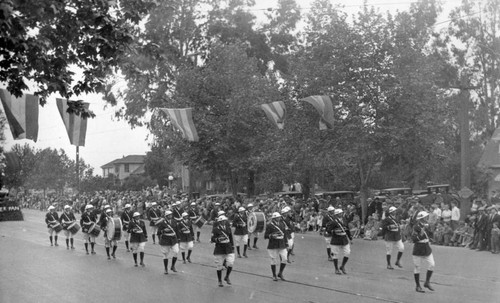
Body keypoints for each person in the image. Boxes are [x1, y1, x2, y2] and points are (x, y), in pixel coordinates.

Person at [412, 211, 435, 293]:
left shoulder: (427, 225)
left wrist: (430, 232)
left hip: (426, 247)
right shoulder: (416, 227)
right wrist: (421, 233)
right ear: (421, 218)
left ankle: (427, 281)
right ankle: (418, 286)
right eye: (425, 217)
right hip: (418, 248)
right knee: (417, 267)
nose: (427, 218)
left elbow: (431, 235)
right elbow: (414, 239)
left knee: (432, 264)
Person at [211, 215, 235, 287]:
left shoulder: (228, 228)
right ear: (220, 222)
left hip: (228, 247)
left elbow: (230, 238)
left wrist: (232, 246)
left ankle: (227, 276)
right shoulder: (215, 229)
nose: (224, 222)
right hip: (219, 248)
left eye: (225, 221)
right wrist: (218, 239)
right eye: (223, 221)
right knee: (219, 266)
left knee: (231, 263)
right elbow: (212, 239)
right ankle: (219, 280)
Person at [327, 208, 352, 275]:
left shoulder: (344, 220)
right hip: (336, 240)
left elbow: (347, 229)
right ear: (337, 214)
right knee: (335, 254)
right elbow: (328, 230)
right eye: (340, 213)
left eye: (341, 213)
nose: (341, 214)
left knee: (347, 252)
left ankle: (342, 266)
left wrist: (350, 238)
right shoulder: (333, 222)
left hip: (344, 239)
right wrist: (334, 231)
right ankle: (336, 269)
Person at [264, 212, 288, 281]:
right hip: (273, 244)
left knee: (284, 258)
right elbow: (265, 236)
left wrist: (286, 243)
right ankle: (274, 275)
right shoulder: (269, 225)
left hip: (281, 244)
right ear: (274, 218)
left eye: (279, 217)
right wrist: (271, 236)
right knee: (273, 260)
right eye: (278, 217)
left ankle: (280, 273)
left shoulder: (282, 224)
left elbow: (284, 234)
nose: (279, 218)